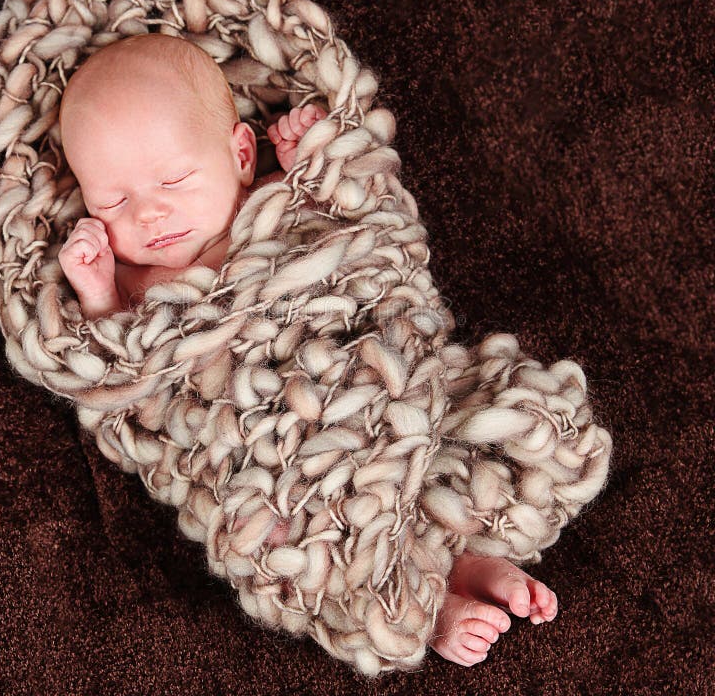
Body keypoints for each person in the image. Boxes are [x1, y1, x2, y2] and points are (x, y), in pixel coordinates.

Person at [57, 33, 558, 668]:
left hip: (357, 371)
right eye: (114, 201)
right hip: (255, 443)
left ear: (241, 154)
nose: (152, 214)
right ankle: (423, 606)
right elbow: (122, 371)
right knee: (285, 535)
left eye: (175, 178)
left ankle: (467, 554)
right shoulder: (137, 281)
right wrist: (98, 290)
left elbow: (352, 220)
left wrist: (308, 162)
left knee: (433, 435)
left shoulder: (268, 197)